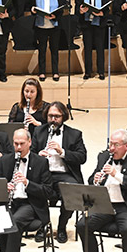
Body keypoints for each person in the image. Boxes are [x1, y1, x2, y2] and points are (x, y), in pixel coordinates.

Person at [77, 129, 127, 252]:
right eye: (110, 144)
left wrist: (116, 174)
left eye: (116, 145)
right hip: (105, 205)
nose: (111, 148)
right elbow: (91, 180)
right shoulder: (104, 156)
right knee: (82, 225)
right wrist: (94, 179)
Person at [31, 101, 87, 241]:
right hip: (44, 174)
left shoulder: (74, 134)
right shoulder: (39, 131)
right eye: (50, 116)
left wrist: (62, 151)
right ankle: (43, 225)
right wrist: (38, 156)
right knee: (33, 189)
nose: (53, 119)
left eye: (57, 116)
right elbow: (30, 154)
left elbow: (82, 157)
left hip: (64, 174)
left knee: (73, 192)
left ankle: (62, 227)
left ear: (63, 117)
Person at [0, 127, 53, 252]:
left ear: (30, 142)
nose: (18, 147)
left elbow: (48, 191)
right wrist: (4, 187)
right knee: (0, 222)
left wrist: (27, 183)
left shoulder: (41, 162)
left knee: (14, 222)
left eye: (22, 144)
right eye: (16, 144)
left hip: (31, 204)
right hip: (10, 202)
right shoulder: (5, 160)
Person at [32, 0, 64, 81]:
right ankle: (42, 72)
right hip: (41, 26)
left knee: (54, 50)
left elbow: (61, 10)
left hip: (54, 26)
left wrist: (55, 16)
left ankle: (55, 72)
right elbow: (33, 8)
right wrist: (33, 10)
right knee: (42, 50)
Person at [78, 0, 109, 79]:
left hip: (99, 24)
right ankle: (88, 72)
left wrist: (101, 13)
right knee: (88, 48)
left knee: (100, 48)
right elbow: (78, 10)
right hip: (87, 24)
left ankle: (101, 72)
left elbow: (107, 10)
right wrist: (81, 11)